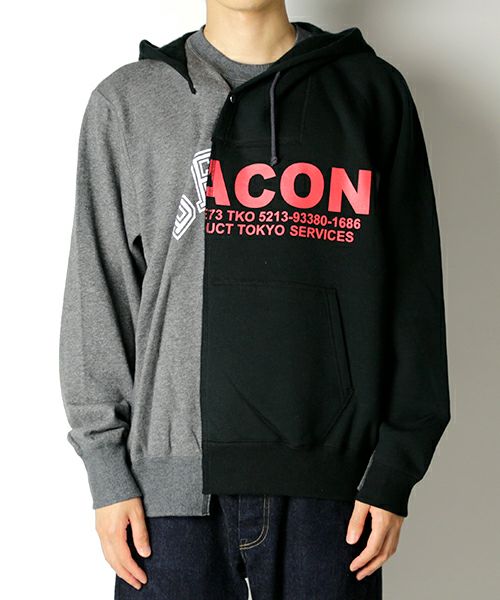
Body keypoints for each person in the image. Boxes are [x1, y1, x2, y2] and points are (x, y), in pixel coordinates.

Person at [59, 1, 451, 598]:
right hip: (172, 493)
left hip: (335, 489)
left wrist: (396, 465)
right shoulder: (129, 102)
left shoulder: (371, 93)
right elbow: (100, 290)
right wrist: (106, 469)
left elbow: (414, 295)